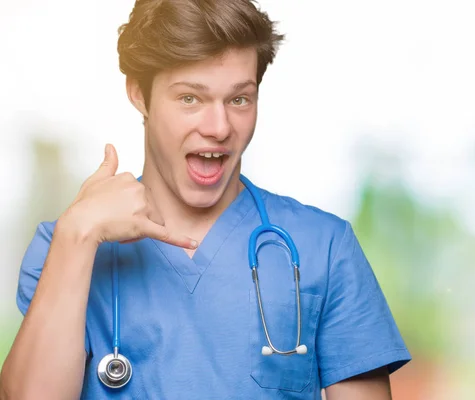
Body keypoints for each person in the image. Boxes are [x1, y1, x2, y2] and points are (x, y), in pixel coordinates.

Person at [0, 0, 411, 398]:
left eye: (239, 99)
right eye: (190, 98)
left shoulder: (324, 247)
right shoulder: (66, 247)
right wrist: (80, 233)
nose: (219, 127)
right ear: (140, 95)